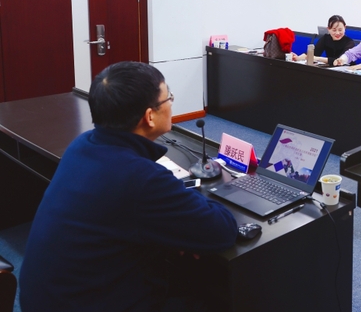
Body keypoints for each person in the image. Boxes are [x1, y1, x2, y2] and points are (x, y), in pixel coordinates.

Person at [19, 62, 238, 312]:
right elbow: (221, 230)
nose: (171, 103)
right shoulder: (140, 178)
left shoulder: (82, 145)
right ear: (149, 116)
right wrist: (184, 224)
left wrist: (174, 224)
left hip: (45, 299)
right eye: (168, 97)